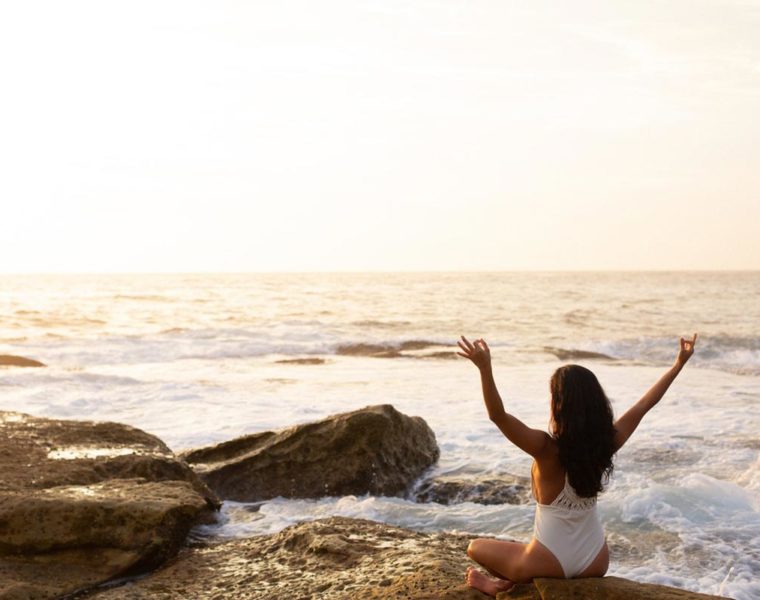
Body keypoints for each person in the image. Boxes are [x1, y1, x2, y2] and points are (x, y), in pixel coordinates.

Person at [456, 333, 698, 596]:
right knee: (522, 550)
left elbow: (498, 415)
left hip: (547, 561)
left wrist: (485, 369)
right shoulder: (607, 443)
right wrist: (678, 364)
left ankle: (496, 588)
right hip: (595, 560)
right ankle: (511, 580)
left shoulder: (545, 448)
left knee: (475, 547)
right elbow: (644, 404)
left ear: (559, 405)